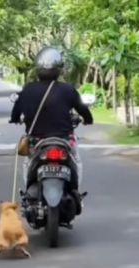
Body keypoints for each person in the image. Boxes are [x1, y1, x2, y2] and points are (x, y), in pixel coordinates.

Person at [9, 46, 93, 195]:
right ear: (59, 69)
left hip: (36, 141)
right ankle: (75, 192)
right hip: (64, 139)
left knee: (28, 163)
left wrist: (15, 119)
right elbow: (83, 109)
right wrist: (88, 119)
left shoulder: (28, 89)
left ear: (38, 68)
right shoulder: (68, 89)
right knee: (76, 160)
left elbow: (16, 112)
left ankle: (28, 192)